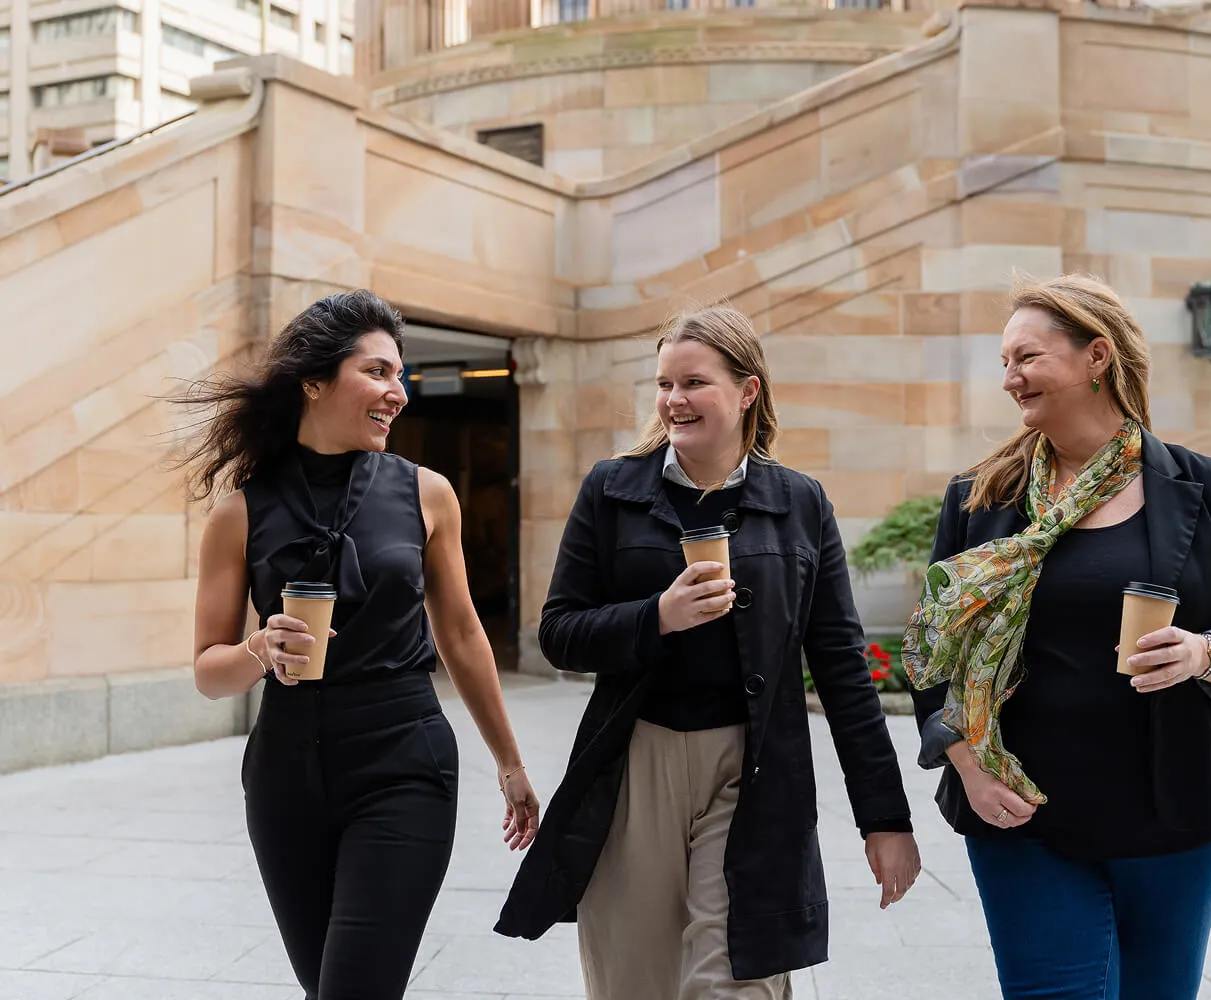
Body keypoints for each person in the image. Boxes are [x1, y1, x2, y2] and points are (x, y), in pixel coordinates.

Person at [495, 304, 922, 998]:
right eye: (664, 384)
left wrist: (886, 819)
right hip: (636, 763)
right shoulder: (612, 490)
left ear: (748, 390)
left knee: (731, 981)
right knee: (634, 982)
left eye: (693, 383)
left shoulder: (801, 503)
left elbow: (843, 668)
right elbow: (560, 632)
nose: (673, 400)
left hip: (751, 770)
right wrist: (655, 617)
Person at [904, 274, 1211, 999]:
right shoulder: (977, 499)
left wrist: (1205, 653)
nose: (1010, 379)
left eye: (1026, 357)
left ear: (1097, 357)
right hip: (1021, 814)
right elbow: (934, 657)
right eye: (1004, 362)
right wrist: (965, 759)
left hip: (1176, 815)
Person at [181, 290, 541, 1000]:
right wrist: (258, 651)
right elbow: (207, 672)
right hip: (287, 776)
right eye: (377, 372)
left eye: (400, 376)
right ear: (315, 381)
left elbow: (464, 633)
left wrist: (510, 763)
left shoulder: (428, 494)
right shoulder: (239, 512)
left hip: (403, 763)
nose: (396, 392)